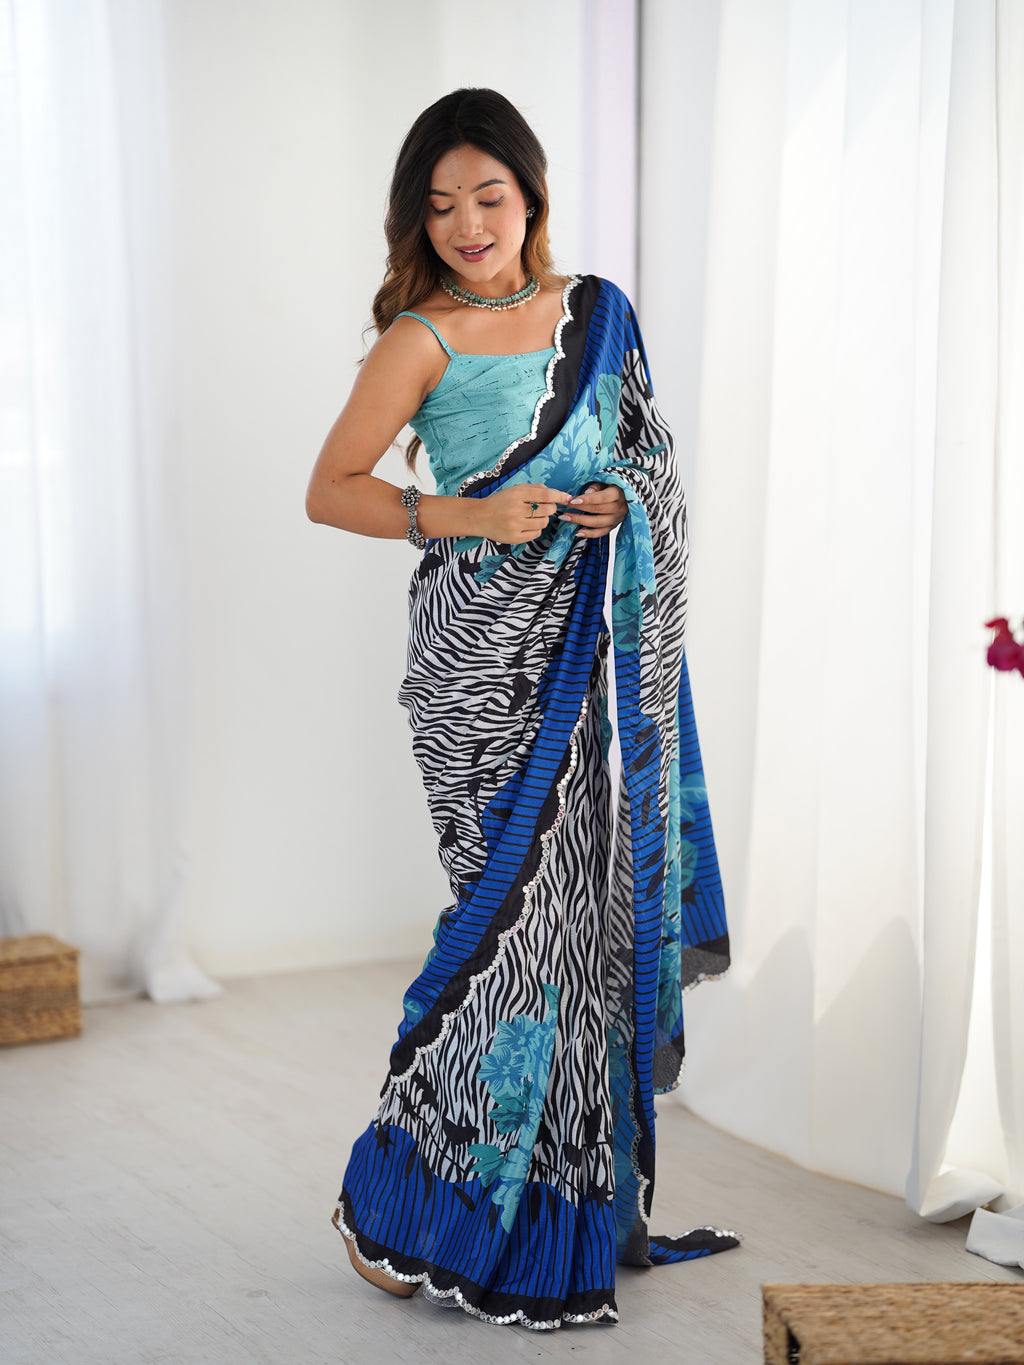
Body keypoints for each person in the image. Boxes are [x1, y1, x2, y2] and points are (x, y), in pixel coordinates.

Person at [306, 87, 737, 1332]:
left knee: (582, 933)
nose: (466, 225)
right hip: (478, 669)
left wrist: (623, 504)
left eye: (487, 197)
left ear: (530, 195)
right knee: (504, 930)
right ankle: (410, 1200)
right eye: (438, 207)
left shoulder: (597, 315)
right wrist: (471, 513)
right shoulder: (417, 338)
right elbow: (331, 490)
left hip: (592, 660)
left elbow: (651, 458)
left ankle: (547, 1213)